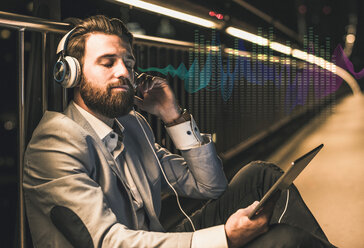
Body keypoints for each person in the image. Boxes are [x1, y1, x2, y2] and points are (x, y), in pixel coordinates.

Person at [23, 15, 335, 248]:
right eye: (107, 62)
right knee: (283, 239)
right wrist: (224, 237)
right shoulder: (55, 143)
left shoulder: (132, 126)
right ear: (71, 74)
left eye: (128, 63)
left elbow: (210, 185)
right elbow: (108, 241)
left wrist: (173, 117)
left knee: (260, 176)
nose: (124, 72)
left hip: (159, 239)